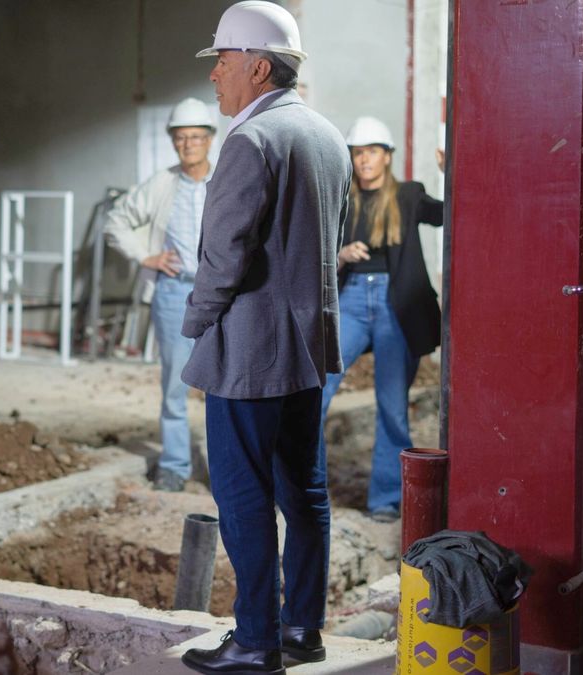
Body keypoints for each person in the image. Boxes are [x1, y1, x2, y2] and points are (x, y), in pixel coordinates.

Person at [176, 3, 350, 673]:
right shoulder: (326, 136)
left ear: (257, 67)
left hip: (250, 353)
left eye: (223, 60)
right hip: (307, 350)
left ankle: (254, 641)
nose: (214, 73)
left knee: (243, 495)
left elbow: (226, 255)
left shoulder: (251, 141)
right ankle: (302, 628)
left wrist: (196, 321)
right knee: (303, 490)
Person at [320, 115, 444, 523]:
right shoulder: (340, 199)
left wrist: (453, 173)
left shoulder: (408, 195)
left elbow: (448, 214)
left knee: (392, 406)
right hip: (351, 298)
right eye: (358, 153)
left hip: (396, 303)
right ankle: (304, 487)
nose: (364, 160)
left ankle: (386, 500)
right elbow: (313, 247)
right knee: (315, 391)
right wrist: (340, 255)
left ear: (387, 156)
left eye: (372, 152)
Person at [103, 97, 217, 492]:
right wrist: (145, 256)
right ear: (173, 141)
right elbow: (116, 221)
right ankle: (174, 465)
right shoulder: (162, 184)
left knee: (224, 387)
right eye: (181, 137)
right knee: (175, 384)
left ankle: (224, 469)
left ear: (209, 139)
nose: (188, 144)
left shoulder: (226, 181)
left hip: (219, 297)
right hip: (174, 293)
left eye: (196, 137)